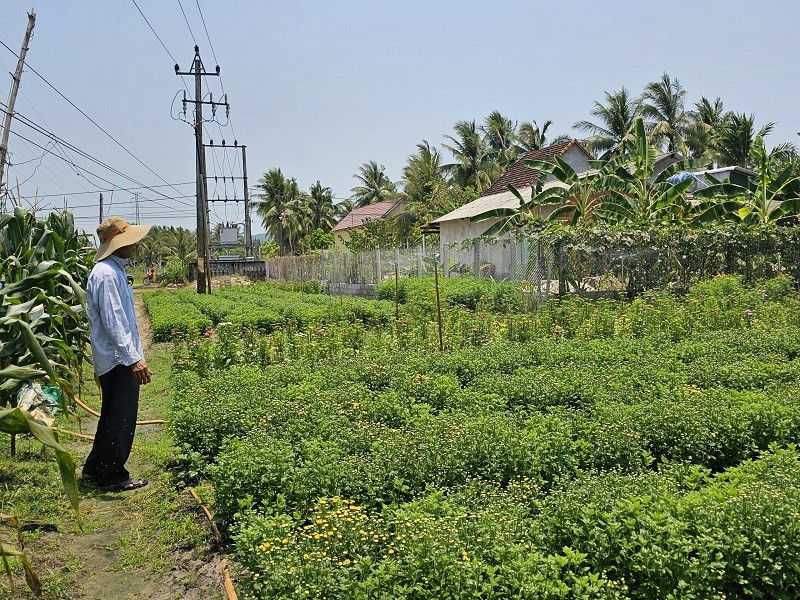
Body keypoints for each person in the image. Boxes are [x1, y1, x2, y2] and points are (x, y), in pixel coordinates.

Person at [81, 216, 152, 492]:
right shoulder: (106, 274)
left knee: (112, 414)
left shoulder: (113, 270)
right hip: (117, 359)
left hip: (116, 357)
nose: (134, 244)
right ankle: (112, 476)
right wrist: (133, 358)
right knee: (121, 418)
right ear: (115, 244)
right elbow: (114, 321)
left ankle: (93, 468)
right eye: (128, 240)